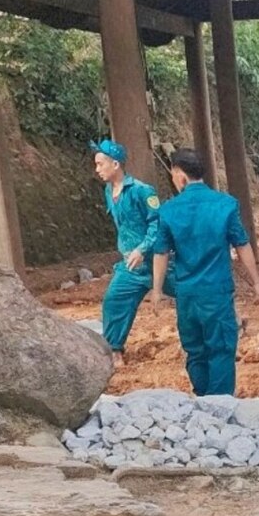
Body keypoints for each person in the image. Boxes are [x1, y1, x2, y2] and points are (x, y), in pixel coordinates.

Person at [150, 149, 259, 397]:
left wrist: (157, 290)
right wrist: (256, 282)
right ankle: (219, 404)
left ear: (180, 175)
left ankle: (203, 399)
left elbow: (161, 253)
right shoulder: (225, 205)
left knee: (195, 350)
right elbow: (242, 244)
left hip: (187, 295)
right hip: (217, 292)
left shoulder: (168, 210)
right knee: (221, 349)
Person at [93, 139, 162, 367]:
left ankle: (230, 323)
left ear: (115, 164)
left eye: (100, 164)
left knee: (192, 291)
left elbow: (157, 223)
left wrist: (143, 248)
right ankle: (114, 350)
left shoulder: (143, 191)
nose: (97, 169)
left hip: (157, 261)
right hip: (130, 266)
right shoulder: (108, 191)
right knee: (114, 301)